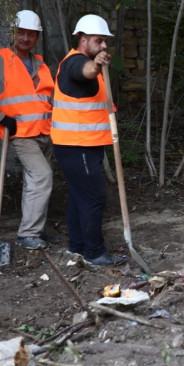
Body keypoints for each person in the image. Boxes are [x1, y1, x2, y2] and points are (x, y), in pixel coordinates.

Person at [0, 10, 57, 250]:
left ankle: (35, 229)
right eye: (21, 33)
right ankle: (28, 234)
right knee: (41, 177)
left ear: (37, 37)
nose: (26, 38)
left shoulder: (40, 63)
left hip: (45, 132)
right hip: (21, 134)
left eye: (31, 34)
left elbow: (47, 99)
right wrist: (0, 118)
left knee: (36, 181)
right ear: (12, 33)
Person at [51, 14, 126, 266]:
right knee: (94, 198)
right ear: (83, 40)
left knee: (78, 196)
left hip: (83, 143)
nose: (104, 45)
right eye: (98, 40)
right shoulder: (75, 63)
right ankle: (94, 253)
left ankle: (77, 247)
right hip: (77, 145)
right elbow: (85, 71)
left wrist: (97, 63)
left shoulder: (83, 61)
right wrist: (96, 64)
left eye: (105, 41)